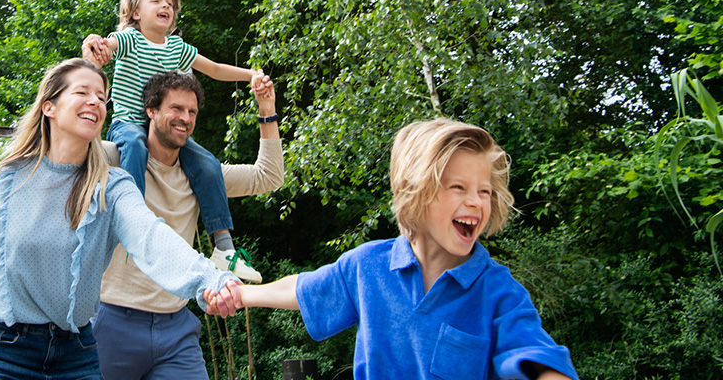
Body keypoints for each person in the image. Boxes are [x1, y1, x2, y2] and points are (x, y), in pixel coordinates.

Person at [0, 58, 240, 380]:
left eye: (102, 97)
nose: (95, 101)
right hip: (1, 351)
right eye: (82, 92)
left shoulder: (112, 186)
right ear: (49, 106)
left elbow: (152, 239)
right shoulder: (10, 178)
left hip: (76, 354)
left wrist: (211, 279)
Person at [206, 118, 579, 380]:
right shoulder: (369, 265)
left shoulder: (499, 292)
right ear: (416, 193)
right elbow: (302, 288)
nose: (477, 202)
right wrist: (241, 295)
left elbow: (533, 353)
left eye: (485, 191)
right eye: (458, 188)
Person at [94, 69, 284, 380]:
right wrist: (90, 66)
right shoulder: (112, 159)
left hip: (176, 329)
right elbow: (63, 147)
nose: (185, 118)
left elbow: (269, 176)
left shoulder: (203, 177)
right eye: (176, 108)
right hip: (111, 321)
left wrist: (266, 108)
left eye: (192, 111)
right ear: (151, 110)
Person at [83, 0, 261, 282]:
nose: (166, 5)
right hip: (130, 123)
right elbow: (103, 48)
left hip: (163, 128)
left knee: (208, 164)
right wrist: (96, 46)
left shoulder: (177, 47)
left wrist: (251, 75)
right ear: (136, 13)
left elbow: (215, 69)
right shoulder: (129, 39)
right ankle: (131, 224)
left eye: (170, 3)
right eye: (156, 1)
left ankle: (224, 247)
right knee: (136, 147)